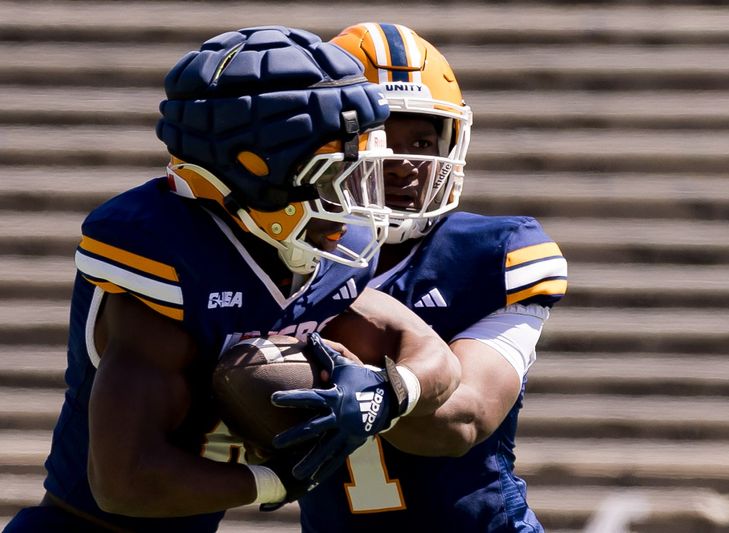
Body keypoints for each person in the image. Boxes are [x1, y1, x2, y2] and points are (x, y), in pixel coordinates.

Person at [3, 26, 460, 533]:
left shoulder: (320, 255)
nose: (352, 202)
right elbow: (123, 482)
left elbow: (430, 352)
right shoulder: (171, 262)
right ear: (255, 171)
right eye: (333, 178)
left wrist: (390, 393)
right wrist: (279, 480)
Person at [293, 23, 568, 533]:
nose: (406, 164)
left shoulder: (492, 256)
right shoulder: (280, 255)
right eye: (381, 140)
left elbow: (463, 420)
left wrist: (379, 396)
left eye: (422, 139)